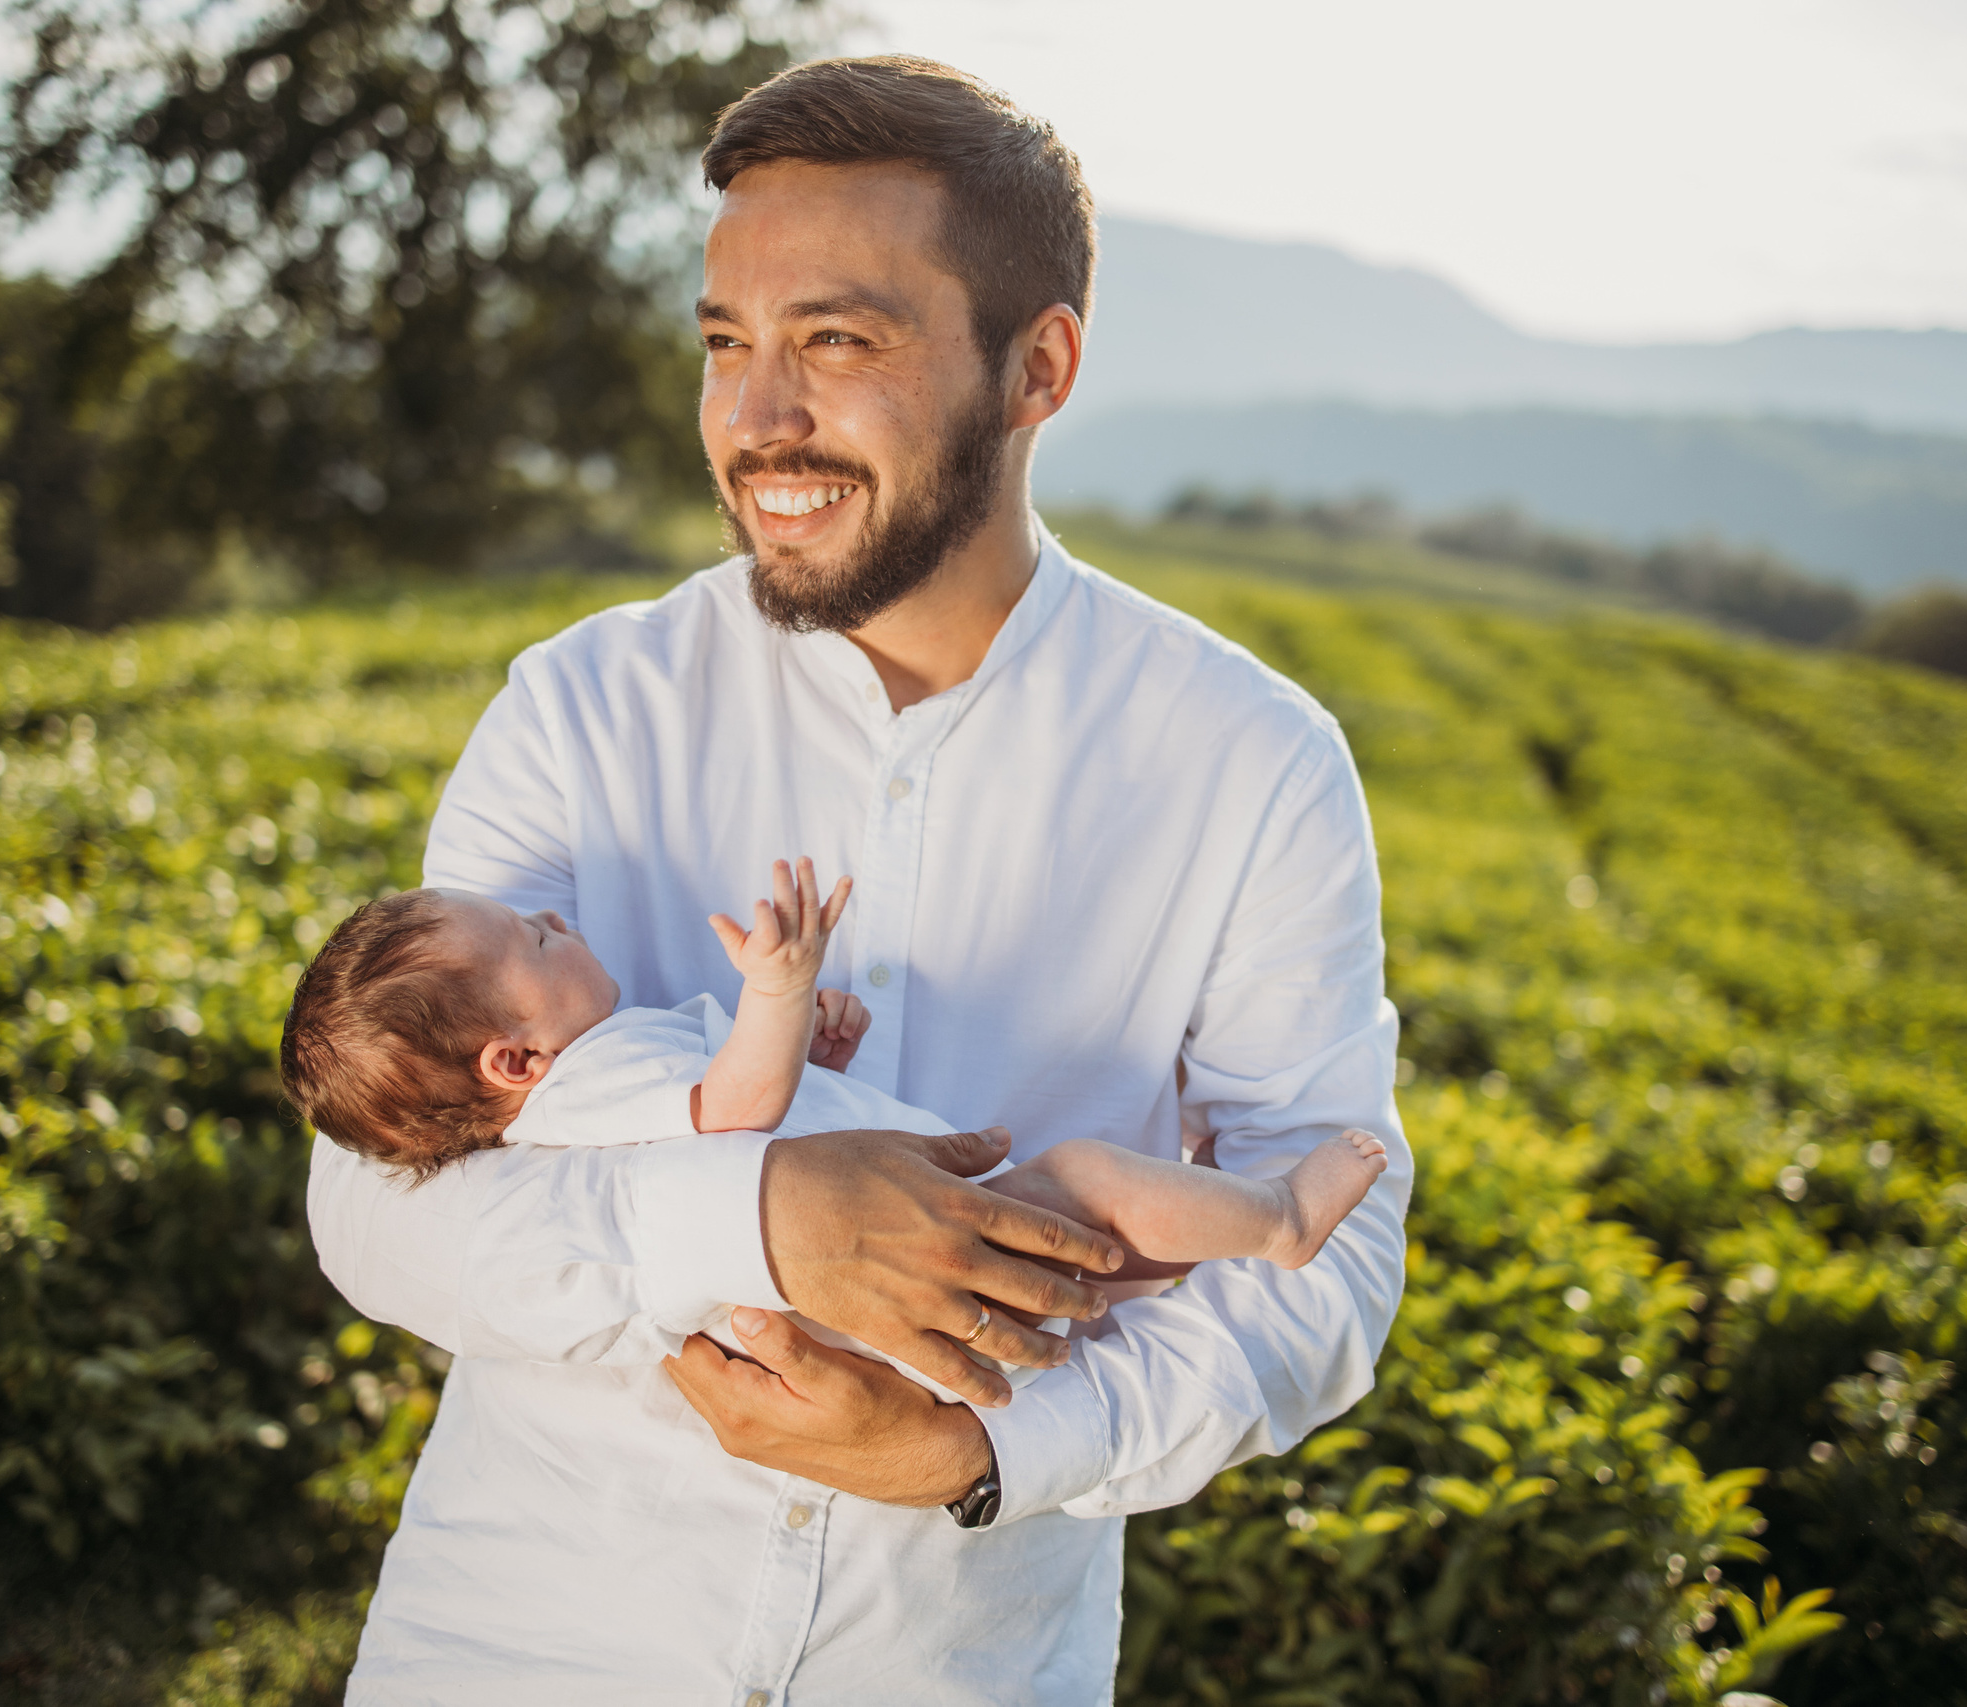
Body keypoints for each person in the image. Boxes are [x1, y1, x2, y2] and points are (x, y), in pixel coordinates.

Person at [305, 54, 1413, 1705]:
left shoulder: (1252, 759)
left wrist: (981, 1441)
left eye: (834, 341)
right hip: (523, 1645)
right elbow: (379, 1201)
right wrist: (757, 1215)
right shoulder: (582, 703)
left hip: (962, 1662)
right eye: (726, 345)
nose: (756, 421)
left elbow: (1330, 1244)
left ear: (1038, 367)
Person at [278, 869, 1391, 1380]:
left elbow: (749, 1118)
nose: (556, 919)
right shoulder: (593, 1075)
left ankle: (1171, 1259)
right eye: (532, 938)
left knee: (1091, 1241)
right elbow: (734, 1114)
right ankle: (1279, 1217)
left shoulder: (574, 1090)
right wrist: (779, 990)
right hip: (932, 1222)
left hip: (889, 1254)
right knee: (1090, 1177)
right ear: (512, 1059)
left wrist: (817, 1052)